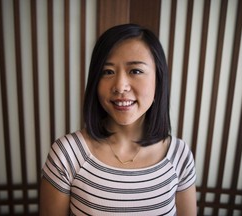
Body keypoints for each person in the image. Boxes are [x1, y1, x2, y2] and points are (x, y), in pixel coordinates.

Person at [40, 23, 197, 216]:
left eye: (135, 71)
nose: (120, 86)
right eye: (107, 72)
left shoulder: (179, 156)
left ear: (159, 78)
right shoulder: (67, 154)